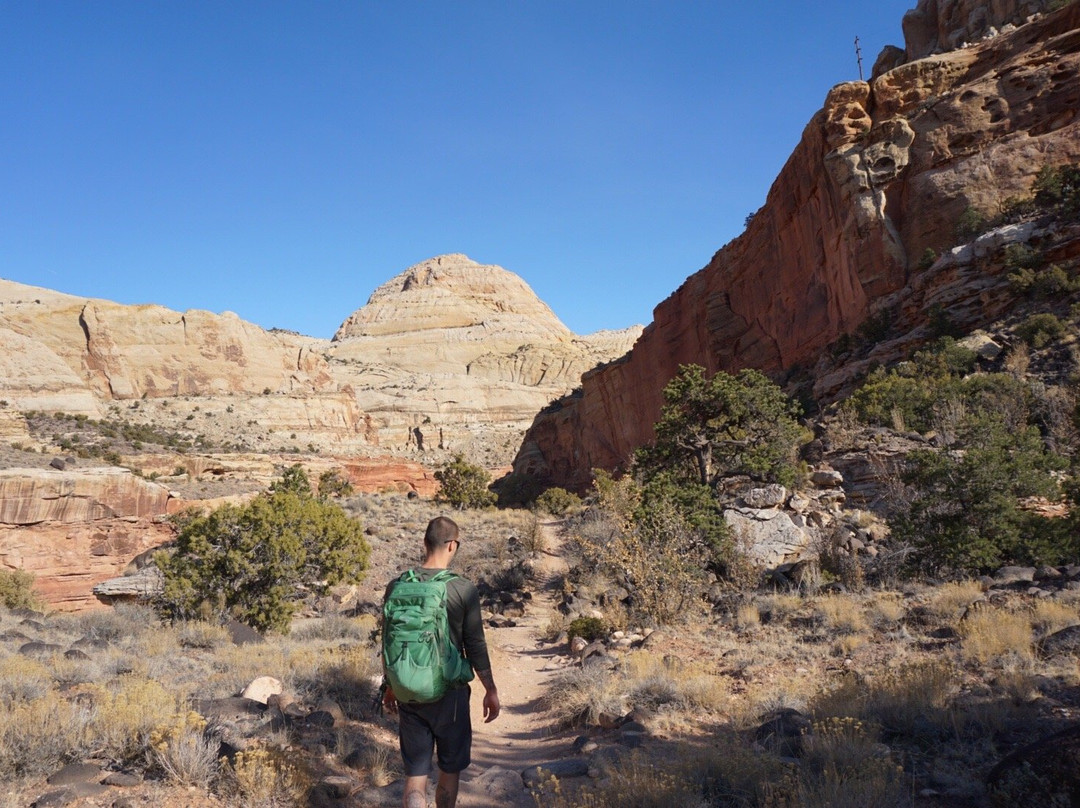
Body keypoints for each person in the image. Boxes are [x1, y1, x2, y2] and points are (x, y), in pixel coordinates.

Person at [382, 515, 500, 808]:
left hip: (409, 691)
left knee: (415, 774)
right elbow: (475, 644)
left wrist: (391, 685)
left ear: (425, 542)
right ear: (452, 545)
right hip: (450, 695)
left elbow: (387, 642)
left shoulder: (396, 586)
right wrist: (490, 689)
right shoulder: (463, 589)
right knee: (449, 770)